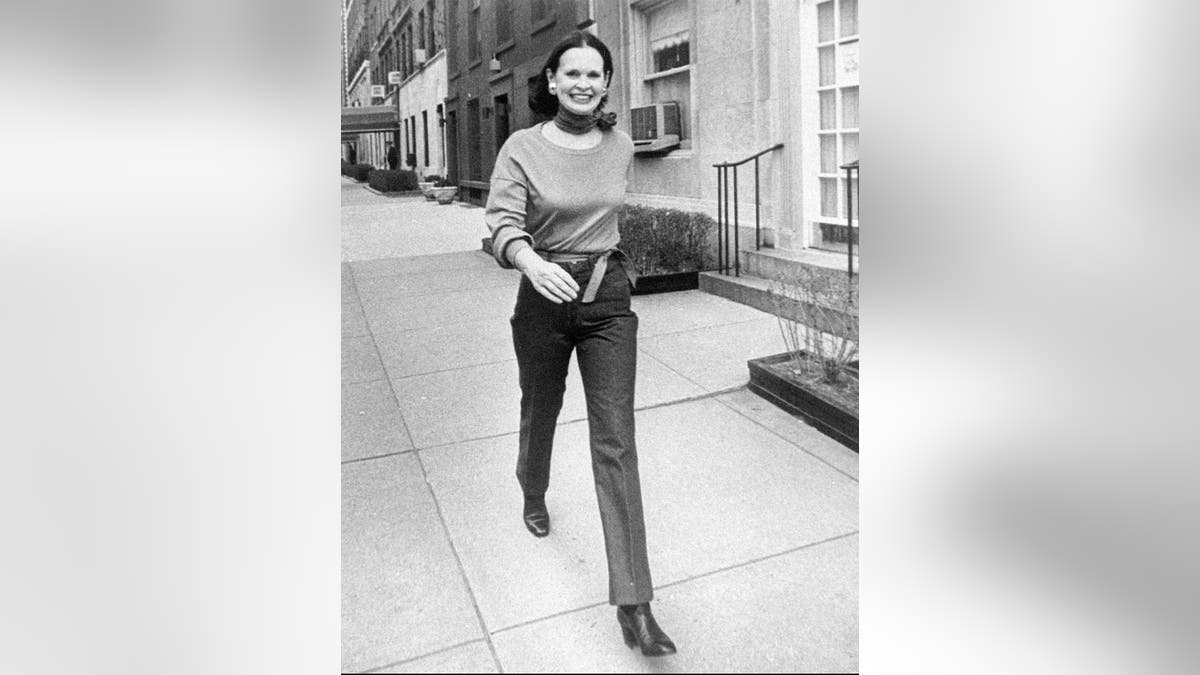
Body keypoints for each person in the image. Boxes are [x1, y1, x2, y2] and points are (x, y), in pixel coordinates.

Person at [484, 31, 677, 658]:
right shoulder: (522, 148)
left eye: (596, 74)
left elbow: (607, 217)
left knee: (616, 439)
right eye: (572, 74)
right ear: (550, 80)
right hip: (543, 300)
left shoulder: (618, 144)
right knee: (540, 408)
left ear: (606, 82)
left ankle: (635, 603)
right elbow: (501, 224)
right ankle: (532, 487)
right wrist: (526, 261)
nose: (584, 84)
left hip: (608, 301)